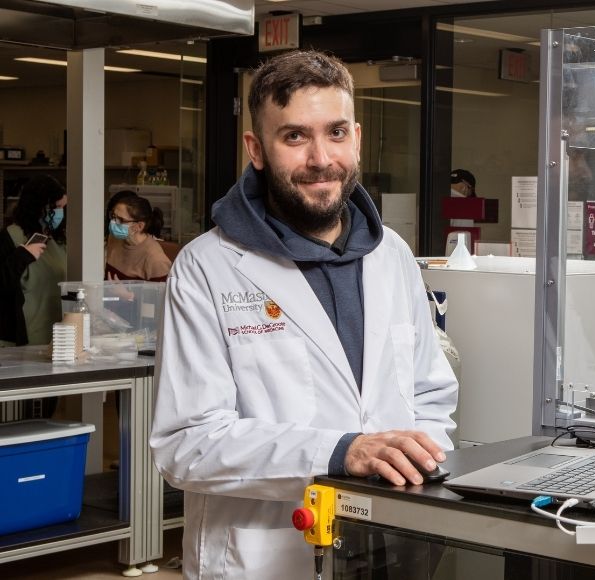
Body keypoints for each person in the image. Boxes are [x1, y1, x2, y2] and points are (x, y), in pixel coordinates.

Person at [149, 50, 458, 579]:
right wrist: (339, 453)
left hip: (390, 544)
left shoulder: (393, 257)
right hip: (264, 557)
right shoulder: (208, 266)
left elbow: (430, 394)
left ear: (356, 137)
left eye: (336, 133)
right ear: (257, 149)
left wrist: (414, 465)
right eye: (295, 137)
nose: (321, 158)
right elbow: (187, 442)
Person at [0, 174, 68, 347]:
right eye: (56, 207)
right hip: (20, 339)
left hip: (57, 336)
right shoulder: (9, 238)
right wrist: (22, 256)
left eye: (63, 207)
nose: (60, 213)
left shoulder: (58, 240)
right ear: (39, 207)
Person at [105, 193, 172, 282]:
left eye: (120, 220)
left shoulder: (156, 259)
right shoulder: (114, 238)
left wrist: (128, 295)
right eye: (113, 216)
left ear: (139, 226)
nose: (113, 222)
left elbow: (160, 295)